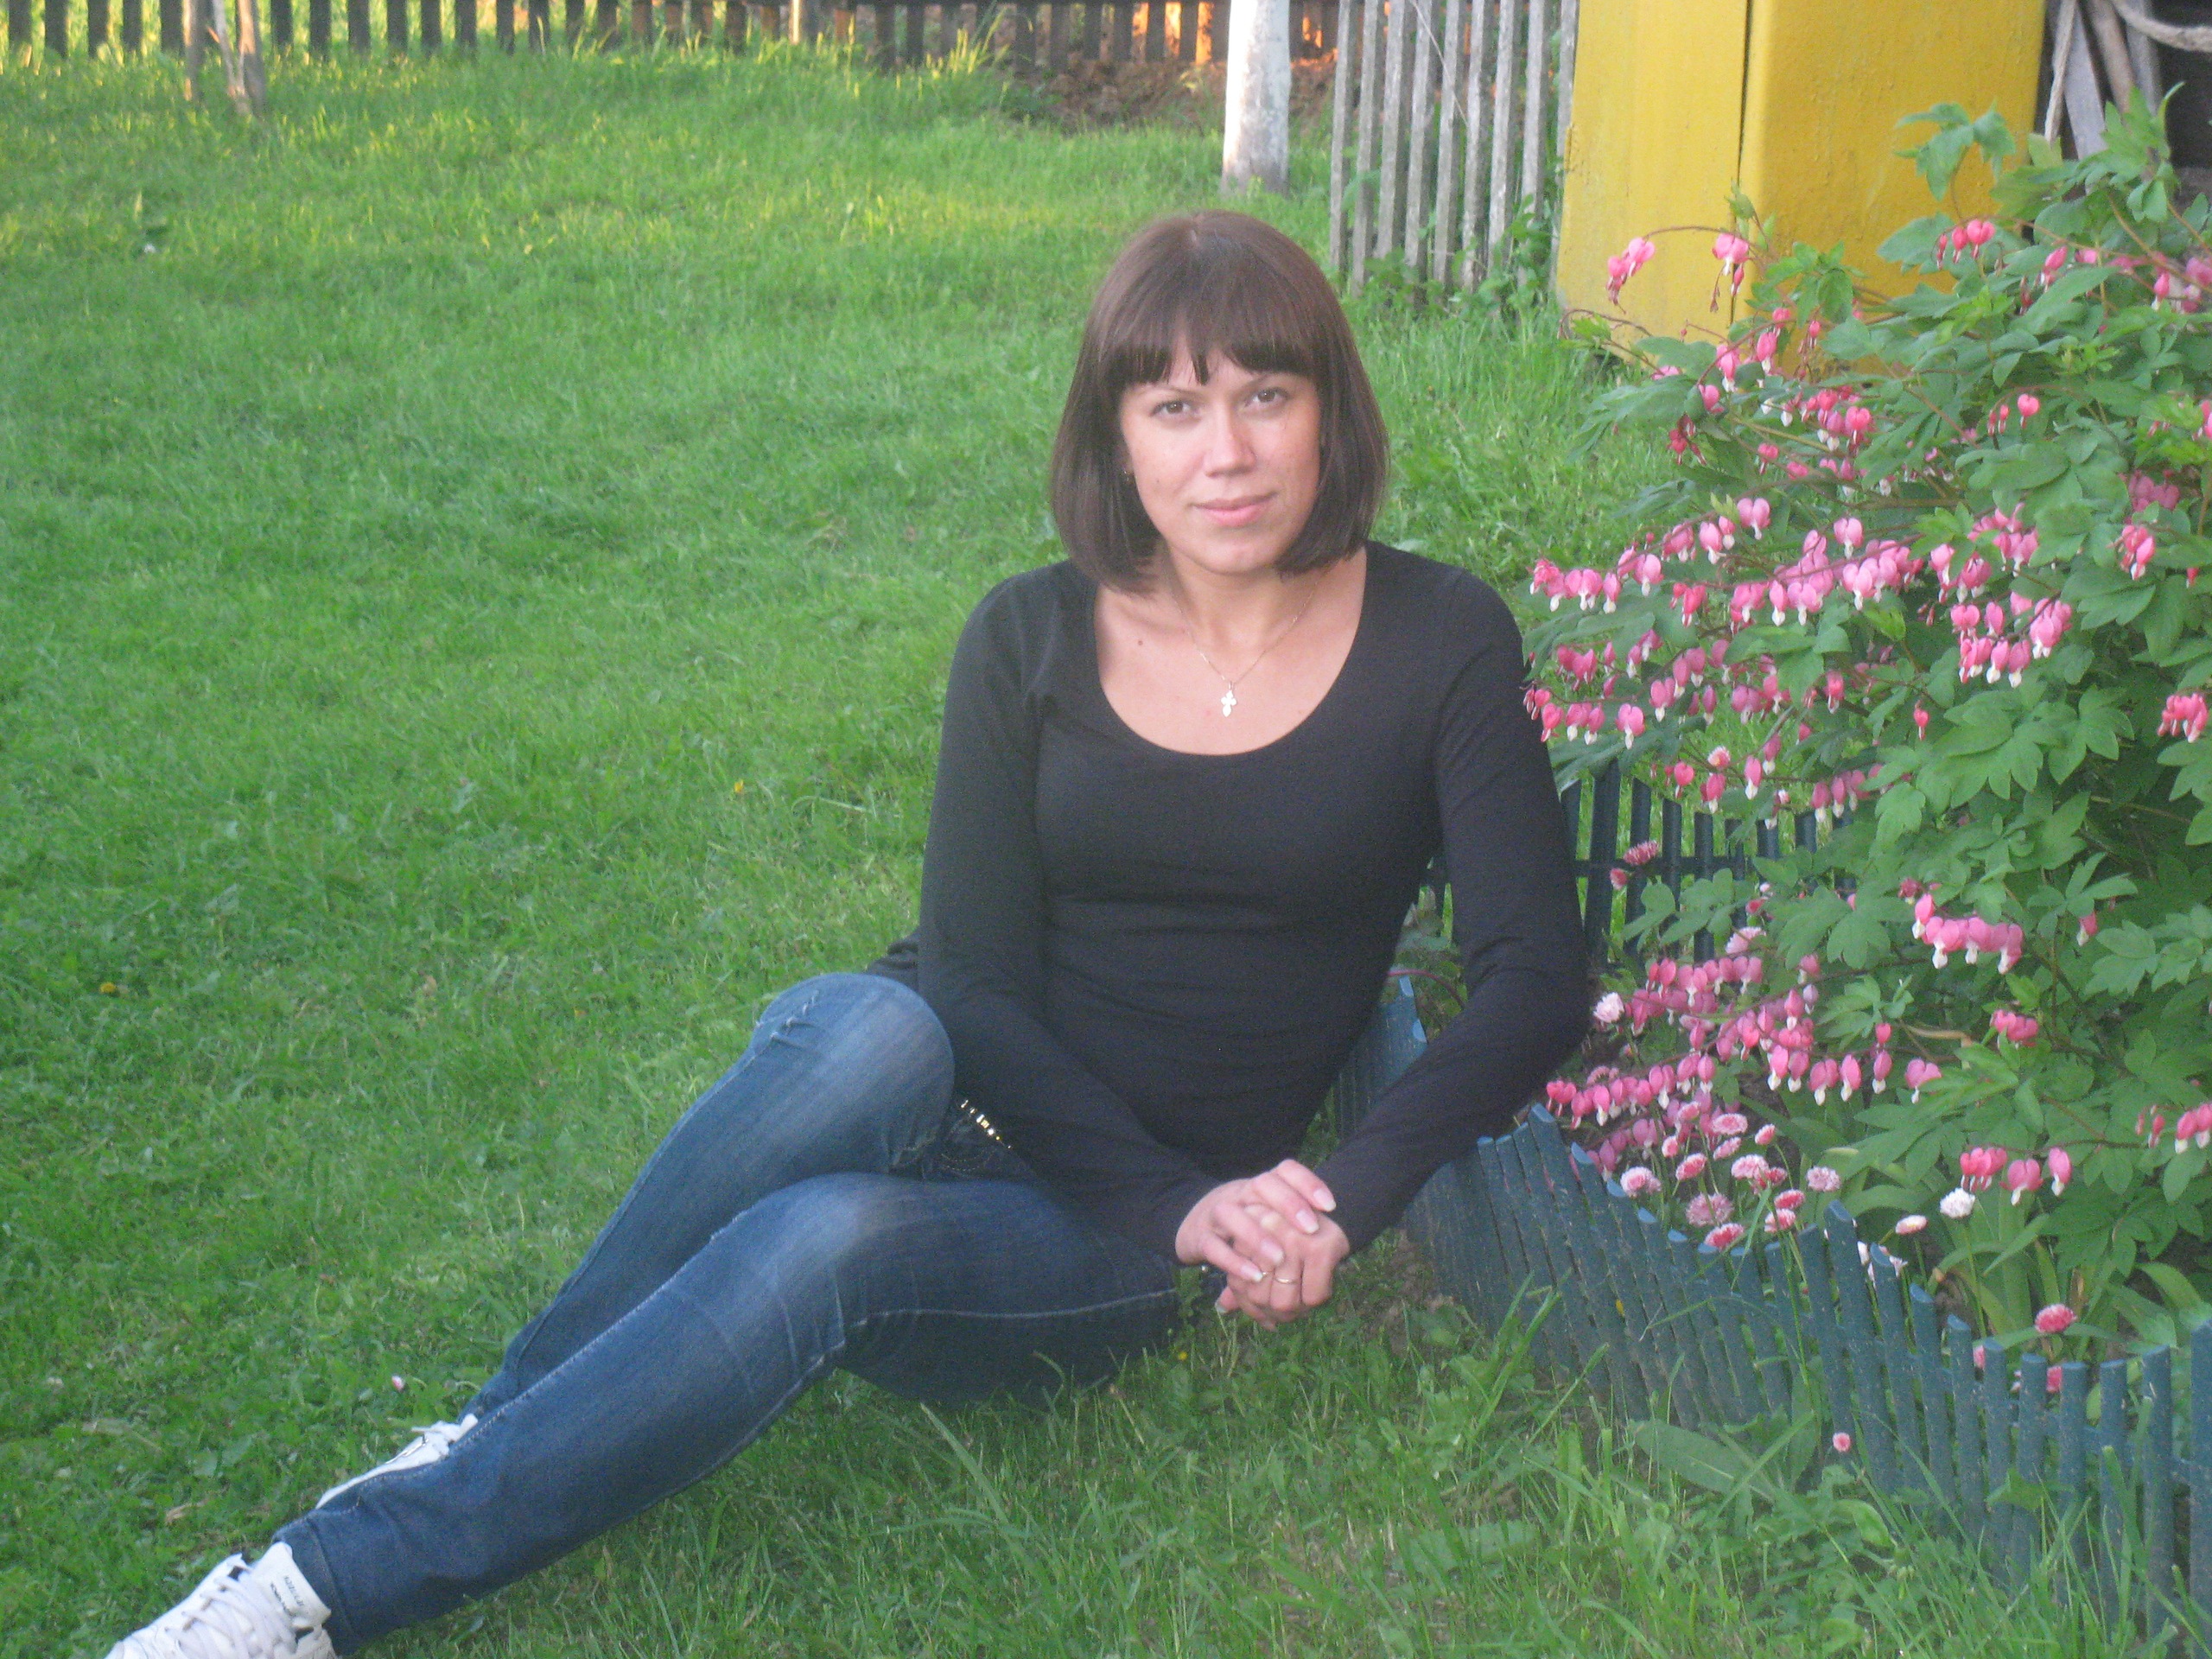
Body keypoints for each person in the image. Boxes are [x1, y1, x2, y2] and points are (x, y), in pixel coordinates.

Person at [105, 210, 1589, 1659]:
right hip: (950, 1075)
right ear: (1117, 437)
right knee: (878, 1024)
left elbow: (1534, 978)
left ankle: (314, 1592)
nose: (1229, 453)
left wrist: (1314, 1201)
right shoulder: (1029, 634)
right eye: (1177, 406)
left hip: (1130, 1218)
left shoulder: (1437, 637)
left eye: (1268, 396)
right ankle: (486, 1438)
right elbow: (976, 981)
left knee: (827, 1240)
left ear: (1331, 410)